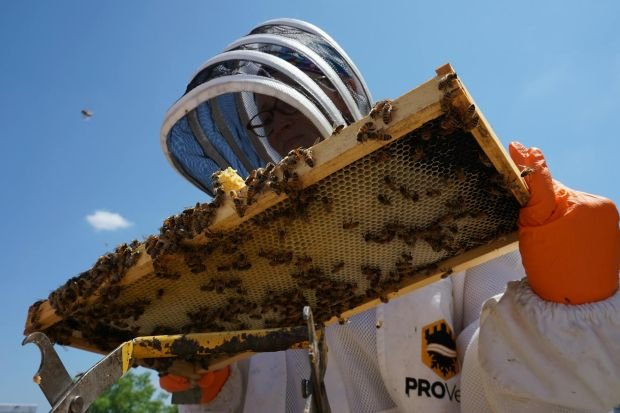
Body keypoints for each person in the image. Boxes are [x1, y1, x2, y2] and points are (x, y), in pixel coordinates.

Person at [158, 18, 620, 412]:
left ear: (343, 88)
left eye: (284, 104)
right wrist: (213, 388)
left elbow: (505, 384)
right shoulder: (251, 264)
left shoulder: (445, 201)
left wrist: (565, 314)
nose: (277, 124)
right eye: (264, 118)